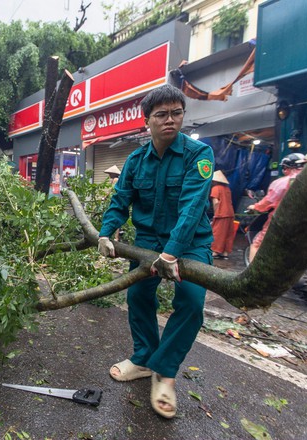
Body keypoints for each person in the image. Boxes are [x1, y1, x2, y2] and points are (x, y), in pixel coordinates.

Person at [97, 84, 214, 419]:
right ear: (146, 121)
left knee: (191, 302)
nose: (170, 120)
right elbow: (121, 200)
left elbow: (192, 208)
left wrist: (173, 252)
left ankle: (164, 371)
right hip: (148, 241)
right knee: (137, 296)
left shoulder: (198, 155)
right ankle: (144, 358)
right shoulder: (135, 160)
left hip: (191, 243)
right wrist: (106, 233)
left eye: (176, 113)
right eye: (161, 114)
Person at [246, 153, 307, 262]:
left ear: (286, 168)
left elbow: (268, 202)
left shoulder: (281, 183)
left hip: (281, 222)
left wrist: (254, 206)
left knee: (256, 244)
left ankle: (253, 276)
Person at [209, 170, 235, 260]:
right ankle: (225, 253)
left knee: (217, 233)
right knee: (228, 233)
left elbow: (216, 202)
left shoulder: (215, 189)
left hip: (221, 214)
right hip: (230, 213)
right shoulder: (227, 189)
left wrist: (216, 213)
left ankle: (215, 252)